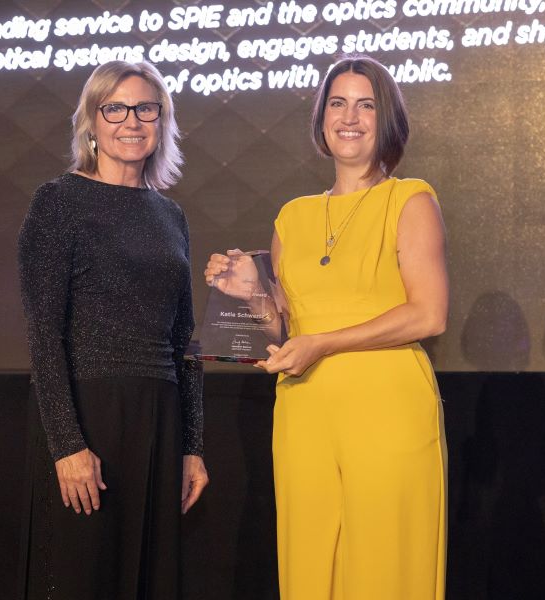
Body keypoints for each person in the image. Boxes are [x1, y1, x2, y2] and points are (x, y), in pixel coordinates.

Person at [205, 55, 448, 599]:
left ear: (387, 121)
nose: (350, 116)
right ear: (321, 120)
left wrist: (325, 343)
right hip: (305, 412)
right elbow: (284, 332)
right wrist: (252, 296)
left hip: (387, 406)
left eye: (367, 105)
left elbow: (429, 314)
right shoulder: (292, 217)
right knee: (311, 565)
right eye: (337, 103)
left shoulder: (410, 200)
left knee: (386, 568)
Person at [17, 60, 208, 600]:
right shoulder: (58, 202)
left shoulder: (171, 216)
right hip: (87, 418)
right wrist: (68, 446)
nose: (132, 121)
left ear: (162, 120)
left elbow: (185, 341)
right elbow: (43, 335)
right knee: (82, 578)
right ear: (92, 122)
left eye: (146, 108)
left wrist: (191, 447)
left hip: (159, 420)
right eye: (115, 108)